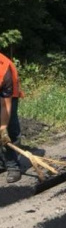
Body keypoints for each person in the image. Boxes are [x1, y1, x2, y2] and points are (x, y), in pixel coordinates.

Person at [0, 53, 22, 183]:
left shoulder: (4, 71)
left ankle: (13, 166)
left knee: (10, 129)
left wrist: (3, 127)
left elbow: (5, 106)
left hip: (7, 95)